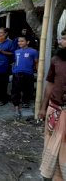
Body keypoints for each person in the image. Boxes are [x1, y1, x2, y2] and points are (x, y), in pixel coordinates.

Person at [38, 29, 66, 180]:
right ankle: (48, 174)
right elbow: (50, 84)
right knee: (51, 144)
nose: (61, 42)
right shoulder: (56, 60)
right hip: (54, 109)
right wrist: (43, 107)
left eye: (65, 39)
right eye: (62, 39)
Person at [11, 36, 38, 119]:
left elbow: (36, 63)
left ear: (28, 42)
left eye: (22, 41)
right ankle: (16, 108)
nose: (20, 43)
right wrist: (13, 70)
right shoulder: (16, 51)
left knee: (28, 90)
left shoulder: (33, 51)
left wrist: (38, 72)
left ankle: (25, 102)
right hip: (17, 74)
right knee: (16, 91)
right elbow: (15, 61)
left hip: (28, 74)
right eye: (19, 41)